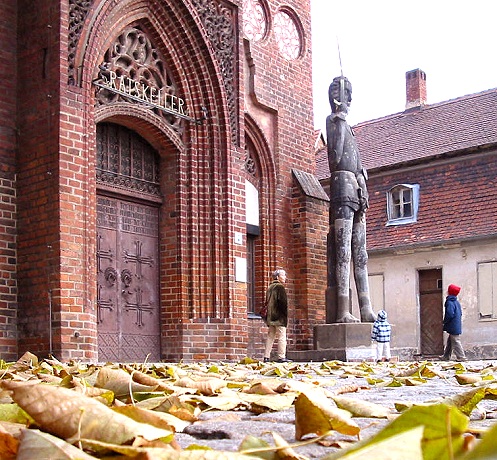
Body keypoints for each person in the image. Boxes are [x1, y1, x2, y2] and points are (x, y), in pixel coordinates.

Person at [326, 75, 376, 323]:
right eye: (348, 93)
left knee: (360, 253)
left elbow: (357, 163)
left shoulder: (349, 127)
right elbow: (335, 157)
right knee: (343, 250)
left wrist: (363, 181)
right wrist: (340, 120)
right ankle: (343, 310)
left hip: (356, 188)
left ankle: (366, 308)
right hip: (341, 187)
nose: (351, 99)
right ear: (338, 96)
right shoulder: (334, 121)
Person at [263, 269, 290, 363]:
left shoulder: (270, 287)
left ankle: (266, 357)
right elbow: (283, 304)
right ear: (278, 277)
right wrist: (285, 317)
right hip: (279, 316)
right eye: (283, 275)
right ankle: (281, 357)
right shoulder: (280, 287)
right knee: (282, 335)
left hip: (271, 316)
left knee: (271, 336)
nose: (285, 277)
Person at [441, 284, 467, 361]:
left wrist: (445, 321)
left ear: (449, 292)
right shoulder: (456, 302)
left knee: (455, 340)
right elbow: (460, 313)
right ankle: (446, 356)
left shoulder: (449, 302)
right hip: (456, 324)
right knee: (450, 341)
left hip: (452, 324)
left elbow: (449, 314)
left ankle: (461, 357)